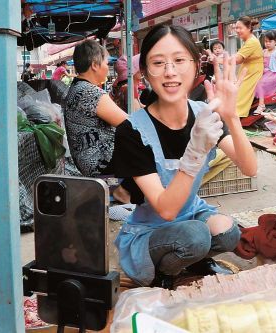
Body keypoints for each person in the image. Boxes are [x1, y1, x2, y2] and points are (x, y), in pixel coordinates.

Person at [112, 24, 257, 289]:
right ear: (144, 72)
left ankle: (193, 261)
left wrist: (232, 116)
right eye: (158, 63)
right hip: (151, 230)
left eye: (179, 60)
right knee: (197, 236)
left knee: (228, 231)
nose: (170, 72)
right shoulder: (131, 130)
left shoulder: (204, 112)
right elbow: (166, 210)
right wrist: (195, 151)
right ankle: (165, 273)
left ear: (195, 66)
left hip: (192, 215)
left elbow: (249, 168)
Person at [63, 40, 132, 204]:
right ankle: (124, 191)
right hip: (100, 162)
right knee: (144, 142)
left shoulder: (76, 88)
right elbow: (129, 124)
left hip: (88, 161)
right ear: (95, 65)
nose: (108, 68)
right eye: (106, 63)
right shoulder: (89, 92)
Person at [233, 16, 263, 117]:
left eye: (240, 28)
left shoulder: (252, 42)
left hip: (252, 73)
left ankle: (236, 119)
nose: (237, 30)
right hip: (248, 72)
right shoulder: (248, 41)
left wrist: (219, 59)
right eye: (236, 28)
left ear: (249, 28)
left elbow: (237, 59)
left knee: (238, 98)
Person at [253, 30, 276, 115]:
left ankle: (261, 105)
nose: (267, 43)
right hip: (264, 73)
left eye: (270, 41)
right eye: (266, 41)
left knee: (260, 83)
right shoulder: (264, 51)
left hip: (273, 75)